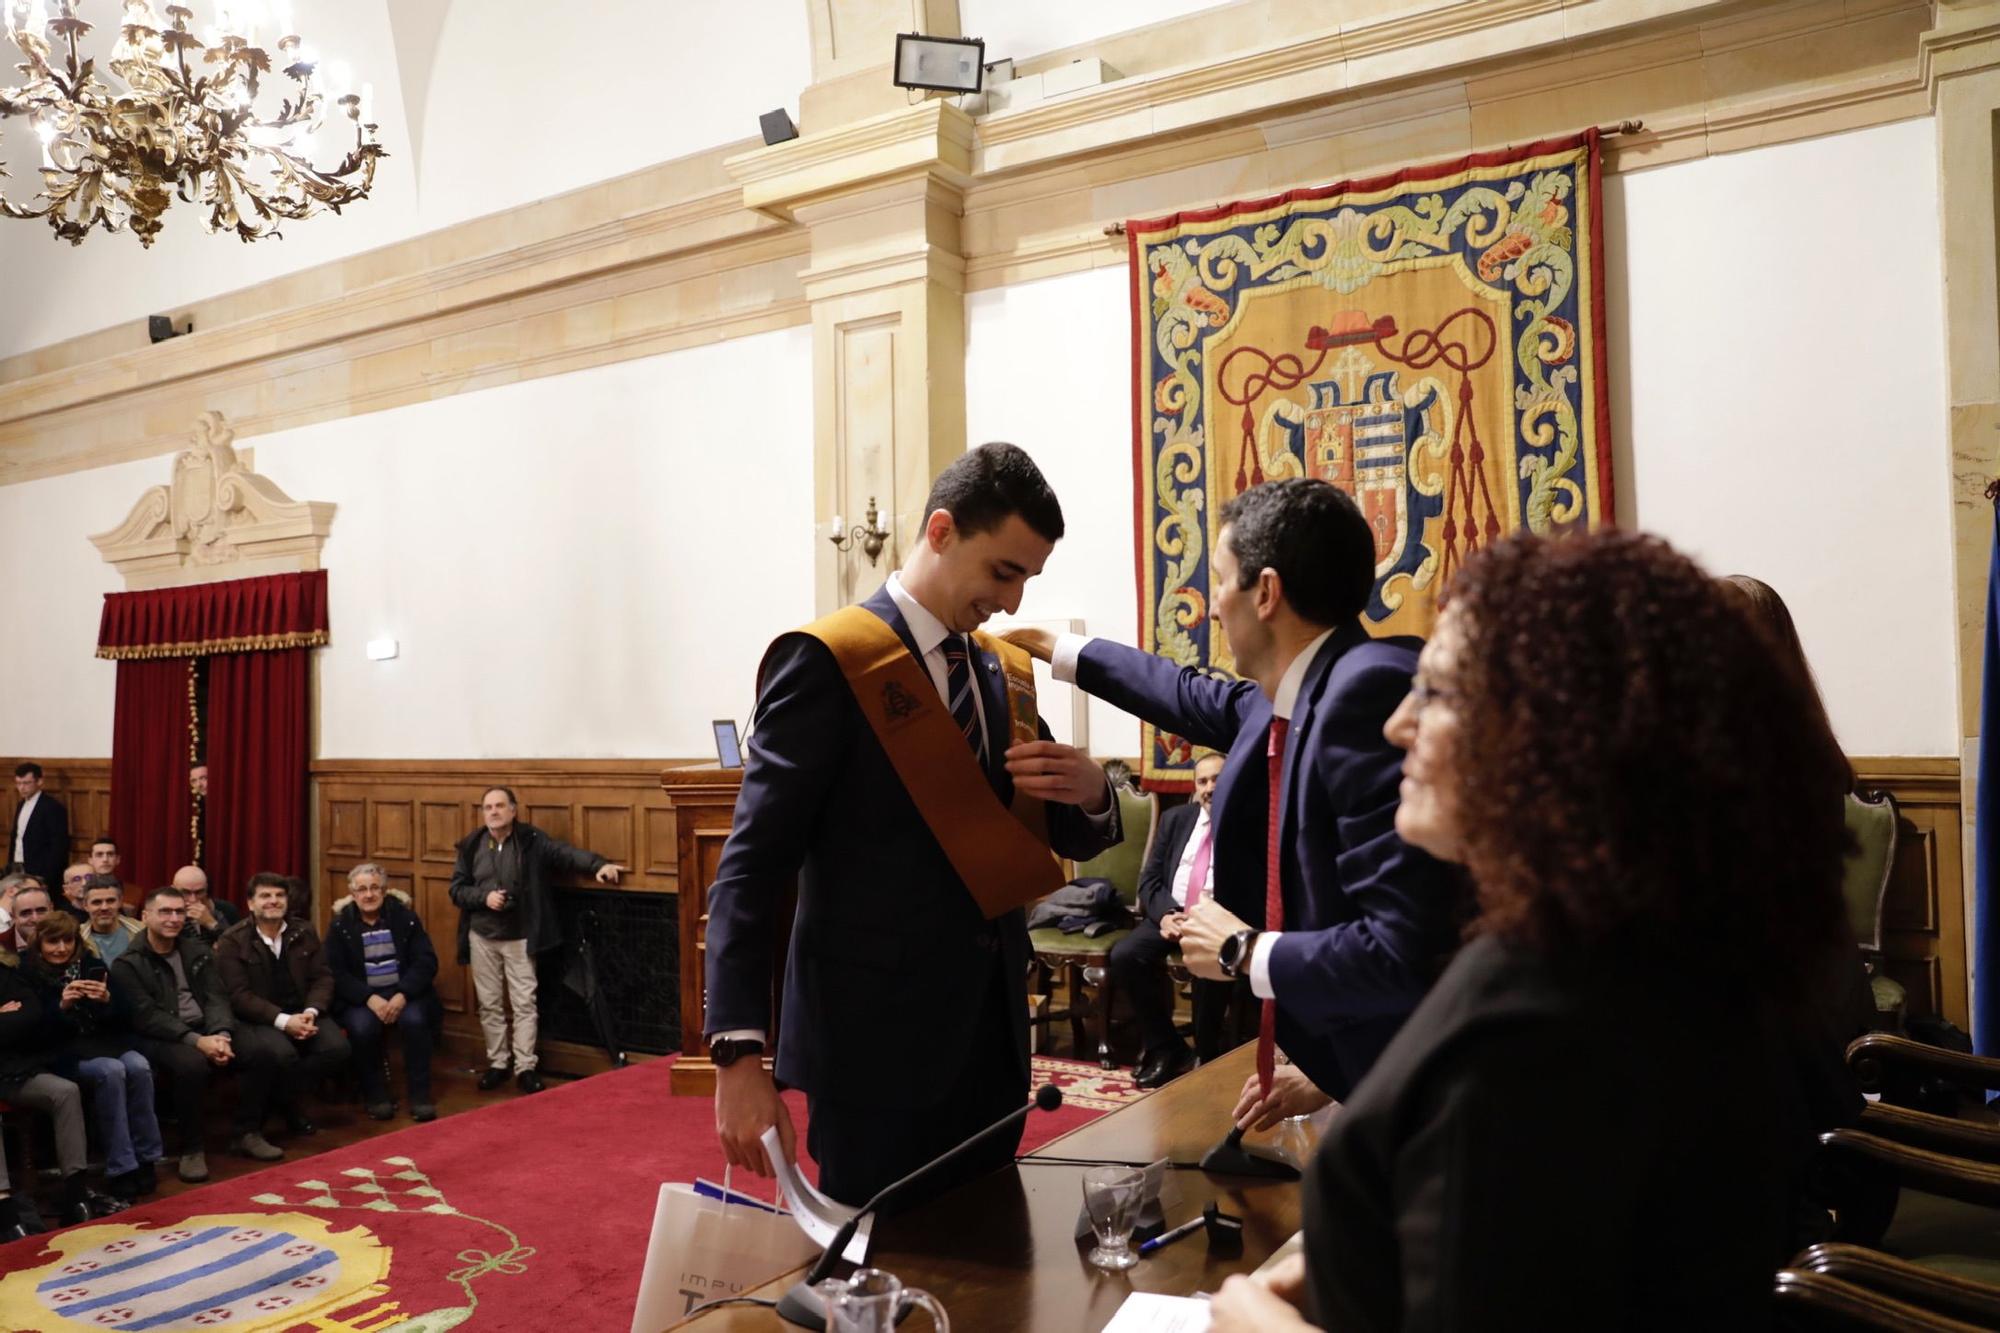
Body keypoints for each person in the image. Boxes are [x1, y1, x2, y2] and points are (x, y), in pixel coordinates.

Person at [1206, 531, 1862, 1332]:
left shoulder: (1539, 1033)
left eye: (1438, 692)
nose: (1397, 724)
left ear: (1553, 733)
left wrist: (1254, 1321)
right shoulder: (1625, 948)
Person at [706, 442, 1122, 1207]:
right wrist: (737, 1053)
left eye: (1029, 578)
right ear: (940, 530)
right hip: (874, 1051)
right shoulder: (831, 662)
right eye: (1004, 571)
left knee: (995, 1268)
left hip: (994, 1038)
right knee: (879, 1282)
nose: (1015, 602)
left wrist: (1094, 793)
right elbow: (751, 865)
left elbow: (1044, 831)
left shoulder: (1001, 670)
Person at [1010, 477, 1461, 1105]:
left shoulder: (1368, 693)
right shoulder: (1291, 693)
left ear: (1267, 592)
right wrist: (1061, 650)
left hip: (1430, 1090)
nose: (1215, 606)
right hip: (1360, 1067)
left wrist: (1241, 949)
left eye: (1221, 581)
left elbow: (1404, 947)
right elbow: (1185, 693)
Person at [448, 786, 626, 1094]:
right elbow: (457, 889)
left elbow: (565, 854)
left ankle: (525, 1067)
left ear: (513, 811)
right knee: (489, 1004)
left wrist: (598, 865)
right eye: (488, 807)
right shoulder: (472, 845)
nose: (493, 811)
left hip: (520, 937)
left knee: (524, 1004)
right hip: (482, 937)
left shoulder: (531, 841)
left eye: (500, 806)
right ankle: (498, 1063)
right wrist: (484, 897)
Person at [1109, 750, 1240, 1088]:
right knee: (1126, 955)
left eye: (1217, 779)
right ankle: (1166, 1046)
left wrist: (1213, 919)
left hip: (1218, 919)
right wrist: (1166, 915)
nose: (1210, 787)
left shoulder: (1246, 822)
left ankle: (1207, 1057)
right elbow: (1149, 880)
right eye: (1203, 781)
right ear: (1195, 787)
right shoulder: (1176, 819)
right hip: (1172, 913)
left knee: (1210, 961)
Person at [111, 886, 249, 1183]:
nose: (174, 918)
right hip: (160, 1037)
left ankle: (248, 1132)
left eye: (179, 912)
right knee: (192, 1065)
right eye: (165, 912)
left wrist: (221, 1034)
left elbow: (216, 997)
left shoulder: (197, 951)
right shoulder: (128, 963)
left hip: (206, 1029)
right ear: (146, 916)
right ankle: (192, 1148)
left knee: (264, 1049)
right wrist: (199, 1042)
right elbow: (147, 1016)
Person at [22, 912, 164, 1200]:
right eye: (53, 942)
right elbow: (30, 1030)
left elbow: (126, 1015)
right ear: (40, 944)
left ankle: (147, 1157)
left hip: (104, 1043)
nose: (61, 948)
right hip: (60, 1052)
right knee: (111, 1071)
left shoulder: (92, 964)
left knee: (139, 1065)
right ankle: (121, 1167)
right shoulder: (27, 973)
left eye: (67, 941)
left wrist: (106, 1001)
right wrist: (61, 1006)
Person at [214, 873, 352, 1155]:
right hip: (257, 1019)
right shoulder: (232, 941)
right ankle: (249, 1128)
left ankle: (283, 1102)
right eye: (265, 896)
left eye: (279, 896)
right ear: (251, 904)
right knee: (281, 1054)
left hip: (303, 1012)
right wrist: (284, 1021)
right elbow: (239, 996)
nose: (273, 901)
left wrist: (311, 1011)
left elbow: (323, 978)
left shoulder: (304, 931)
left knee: (337, 1048)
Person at [0, 951, 127, 1229]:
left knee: (66, 1092)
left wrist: (11, 1019)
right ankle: (6, 1210)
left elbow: (32, 1013)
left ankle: (76, 1194)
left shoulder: (7, 970)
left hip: (13, 1069)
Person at [326, 862, 441, 1122]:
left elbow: (426, 962)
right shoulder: (339, 926)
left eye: (375, 888)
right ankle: (376, 1095)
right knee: (363, 1028)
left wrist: (402, 994)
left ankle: (420, 1096)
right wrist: (369, 998)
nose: (369, 895)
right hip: (362, 998)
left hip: (404, 993)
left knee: (415, 1020)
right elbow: (336, 972)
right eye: (362, 889)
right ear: (352, 894)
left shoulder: (406, 919)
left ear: (385, 891)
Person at [12, 762, 69, 889]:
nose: (22, 788)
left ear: (40, 781)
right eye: (18, 783)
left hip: (40, 870)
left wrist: (47, 875)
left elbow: (58, 845)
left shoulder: (52, 807)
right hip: (18, 865)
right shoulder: (21, 804)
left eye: (26, 783)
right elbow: (17, 837)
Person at [80, 876, 143, 965]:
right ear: (85, 905)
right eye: (97, 902)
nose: (104, 907)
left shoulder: (143, 931)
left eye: (110, 901)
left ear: (120, 902)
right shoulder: (77, 938)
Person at [172, 864, 240, 943]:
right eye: (185, 892)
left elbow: (240, 945)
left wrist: (211, 923)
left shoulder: (226, 909)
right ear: (173, 890)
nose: (193, 899)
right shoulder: (168, 911)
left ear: (206, 889)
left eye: (199, 892)